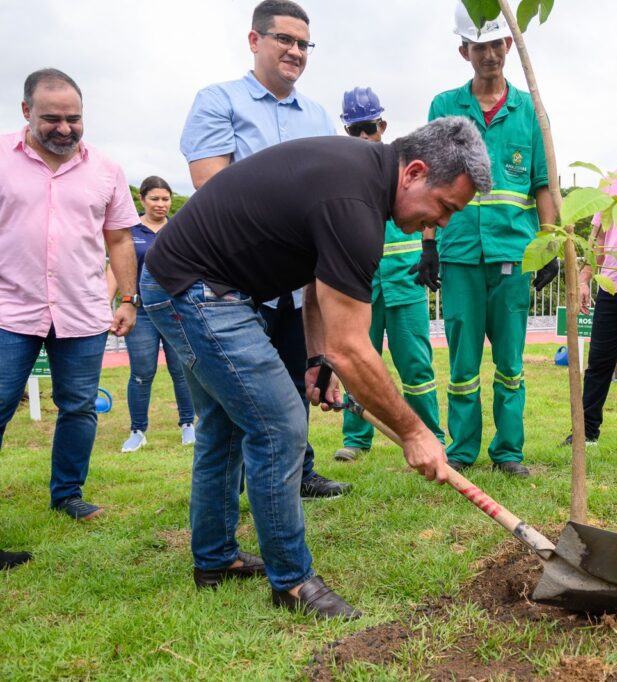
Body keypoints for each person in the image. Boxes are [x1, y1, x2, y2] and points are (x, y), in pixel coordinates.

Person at [141, 117, 491, 618]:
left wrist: (315, 360)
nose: (442, 224)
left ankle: (215, 560)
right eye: (445, 208)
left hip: (198, 283)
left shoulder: (360, 179)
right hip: (197, 291)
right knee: (280, 426)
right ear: (414, 172)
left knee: (224, 427)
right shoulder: (355, 206)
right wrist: (414, 432)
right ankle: (292, 582)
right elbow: (355, 349)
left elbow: (315, 288)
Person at [179, 0, 346, 499]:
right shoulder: (219, 101)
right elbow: (214, 189)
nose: (295, 51)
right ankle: (233, 499)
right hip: (233, 284)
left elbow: (329, 199)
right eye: (284, 40)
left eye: (303, 44)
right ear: (255, 41)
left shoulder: (318, 117)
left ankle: (297, 474)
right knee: (232, 407)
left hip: (293, 285)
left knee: (295, 387)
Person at [417, 5, 558, 477]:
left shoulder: (530, 112)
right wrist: (429, 243)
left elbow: (542, 185)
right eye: (479, 47)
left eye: (496, 45)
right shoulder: (444, 107)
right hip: (458, 254)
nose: (489, 55)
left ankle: (509, 451)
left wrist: (550, 245)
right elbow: (429, 179)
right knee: (461, 361)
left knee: (511, 362)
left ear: (508, 47)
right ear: (465, 51)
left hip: (513, 255)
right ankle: (461, 450)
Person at [0, 68, 141, 525]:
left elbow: (119, 240)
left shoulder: (106, 169)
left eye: (74, 118)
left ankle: (67, 494)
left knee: (79, 406)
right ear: (26, 112)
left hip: (82, 312)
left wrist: (127, 299)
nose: (64, 128)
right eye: (52, 118)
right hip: (9, 311)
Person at [333, 87, 446, 461]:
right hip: (363, 287)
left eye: (370, 128)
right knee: (357, 362)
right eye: (356, 131)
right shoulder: (345, 171)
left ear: (383, 124)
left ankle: (430, 435)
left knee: (416, 365)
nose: (364, 137)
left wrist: (430, 248)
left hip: (405, 281)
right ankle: (356, 439)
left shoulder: (405, 168)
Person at [564, 101, 617, 446]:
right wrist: (585, 277)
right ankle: (587, 431)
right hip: (613, 284)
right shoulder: (611, 179)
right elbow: (597, 235)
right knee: (599, 360)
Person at [106, 176, 196, 453]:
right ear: (142, 200)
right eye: (155, 198)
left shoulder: (181, 228)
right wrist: (105, 305)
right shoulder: (130, 231)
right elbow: (115, 269)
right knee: (142, 373)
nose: (161, 204)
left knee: (182, 371)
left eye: (166, 198)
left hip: (176, 311)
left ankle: (188, 426)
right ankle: (137, 431)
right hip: (141, 312)